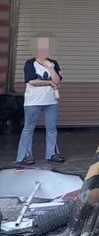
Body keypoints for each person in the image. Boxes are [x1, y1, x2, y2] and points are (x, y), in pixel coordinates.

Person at [16, 37, 65, 165]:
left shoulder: (53, 63)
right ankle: (26, 155)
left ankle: (52, 153)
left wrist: (51, 68)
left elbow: (57, 80)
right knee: (29, 127)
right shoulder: (30, 63)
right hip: (33, 101)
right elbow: (31, 81)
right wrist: (48, 82)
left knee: (51, 127)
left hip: (51, 101)